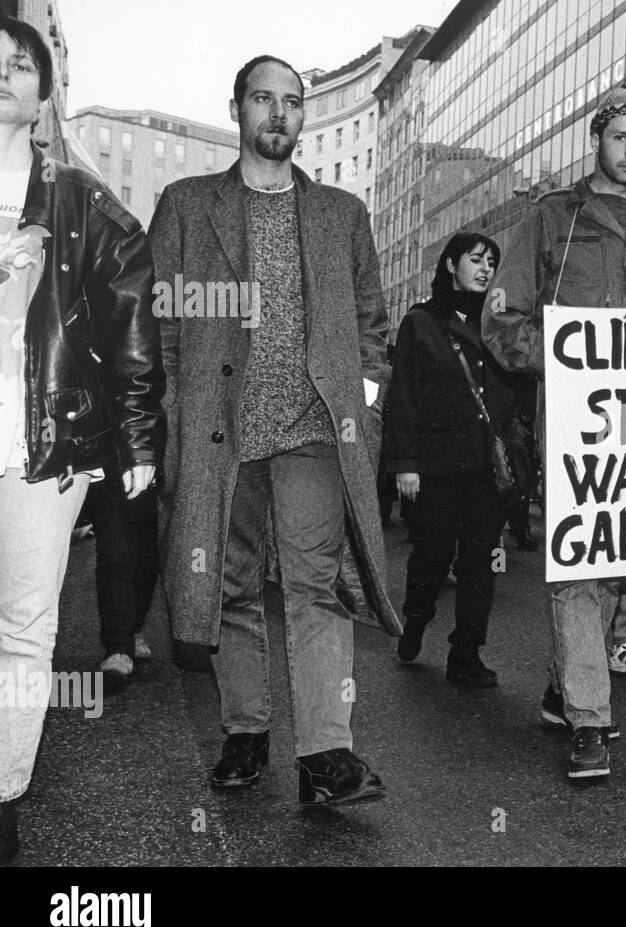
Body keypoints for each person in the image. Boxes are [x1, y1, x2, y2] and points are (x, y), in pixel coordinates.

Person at [151, 55, 399, 806]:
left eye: (293, 102)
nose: (280, 114)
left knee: (317, 588)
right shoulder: (188, 206)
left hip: (313, 433)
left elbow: (371, 326)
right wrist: (171, 421)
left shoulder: (339, 214)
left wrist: (362, 404)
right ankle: (246, 731)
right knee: (229, 587)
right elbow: (160, 325)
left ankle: (327, 753)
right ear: (238, 108)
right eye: (265, 99)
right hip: (220, 433)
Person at [482, 85, 626, 780]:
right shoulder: (553, 218)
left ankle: (563, 683)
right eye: (621, 140)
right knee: (581, 564)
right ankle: (589, 719)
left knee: (619, 560)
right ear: (596, 142)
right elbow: (503, 318)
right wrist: (566, 362)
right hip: (577, 425)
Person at [0, 14, 163, 865]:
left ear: (44, 91)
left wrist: (137, 441)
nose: (3, 75)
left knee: (26, 629)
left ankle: (4, 794)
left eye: (20, 65)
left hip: (45, 444)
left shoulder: (80, 198)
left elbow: (131, 320)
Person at [384, 232, 531, 685]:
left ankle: (466, 654)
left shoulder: (502, 324)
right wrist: (405, 462)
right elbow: (404, 394)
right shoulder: (422, 322)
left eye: (492, 262)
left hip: (488, 467)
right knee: (431, 555)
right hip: (436, 465)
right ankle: (415, 620)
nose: (485, 269)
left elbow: (521, 385)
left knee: (480, 563)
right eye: (475, 260)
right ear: (451, 264)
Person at [89, 467, 160, 687]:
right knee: (114, 552)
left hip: (158, 467)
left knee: (148, 558)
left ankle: (135, 627)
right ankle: (118, 645)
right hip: (112, 460)